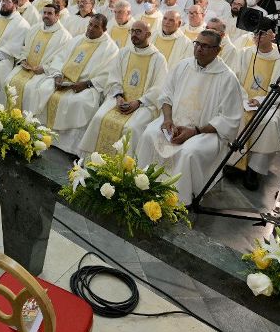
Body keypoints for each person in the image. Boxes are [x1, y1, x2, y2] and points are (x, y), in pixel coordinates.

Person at [135, 30, 245, 206]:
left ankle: (176, 200)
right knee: (150, 134)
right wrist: (167, 119)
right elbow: (166, 96)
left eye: (205, 46)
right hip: (174, 122)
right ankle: (142, 183)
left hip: (206, 132)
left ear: (217, 50)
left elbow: (229, 120)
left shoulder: (227, 78)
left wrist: (195, 131)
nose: (199, 49)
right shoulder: (183, 66)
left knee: (188, 152)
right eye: (197, 44)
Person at [22, 14, 118, 153]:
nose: (91, 28)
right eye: (90, 24)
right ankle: (40, 133)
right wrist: (57, 75)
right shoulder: (77, 39)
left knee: (80, 102)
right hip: (63, 79)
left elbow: (107, 75)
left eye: (96, 26)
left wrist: (85, 84)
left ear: (104, 29)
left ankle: (67, 146)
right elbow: (60, 58)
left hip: (87, 85)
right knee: (42, 88)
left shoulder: (111, 49)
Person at [78, 20, 168, 155]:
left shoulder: (158, 59)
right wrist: (119, 96)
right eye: (132, 31)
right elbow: (114, 77)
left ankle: (123, 165)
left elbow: (159, 88)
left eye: (138, 31)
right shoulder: (124, 52)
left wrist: (138, 102)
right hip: (119, 98)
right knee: (99, 118)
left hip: (144, 104)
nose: (134, 34)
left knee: (132, 128)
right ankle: (92, 161)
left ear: (148, 34)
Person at [225, 27, 280, 191]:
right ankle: (234, 162)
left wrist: (260, 101)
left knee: (269, 123)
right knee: (237, 115)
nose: (258, 36)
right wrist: (245, 98)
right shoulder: (245, 53)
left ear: (273, 35)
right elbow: (233, 78)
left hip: (269, 103)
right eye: (256, 33)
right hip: (242, 99)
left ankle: (254, 169)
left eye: (263, 33)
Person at [1, 3, 73, 110]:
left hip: (44, 72)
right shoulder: (35, 28)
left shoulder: (64, 36)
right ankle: (6, 114)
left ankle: (26, 117)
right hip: (26, 67)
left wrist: (44, 68)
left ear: (57, 16)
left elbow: (62, 59)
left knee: (31, 89)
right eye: (44, 13)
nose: (46, 15)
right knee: (9, 81)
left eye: (50, 13)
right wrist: (23, 60)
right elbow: (25, 47)